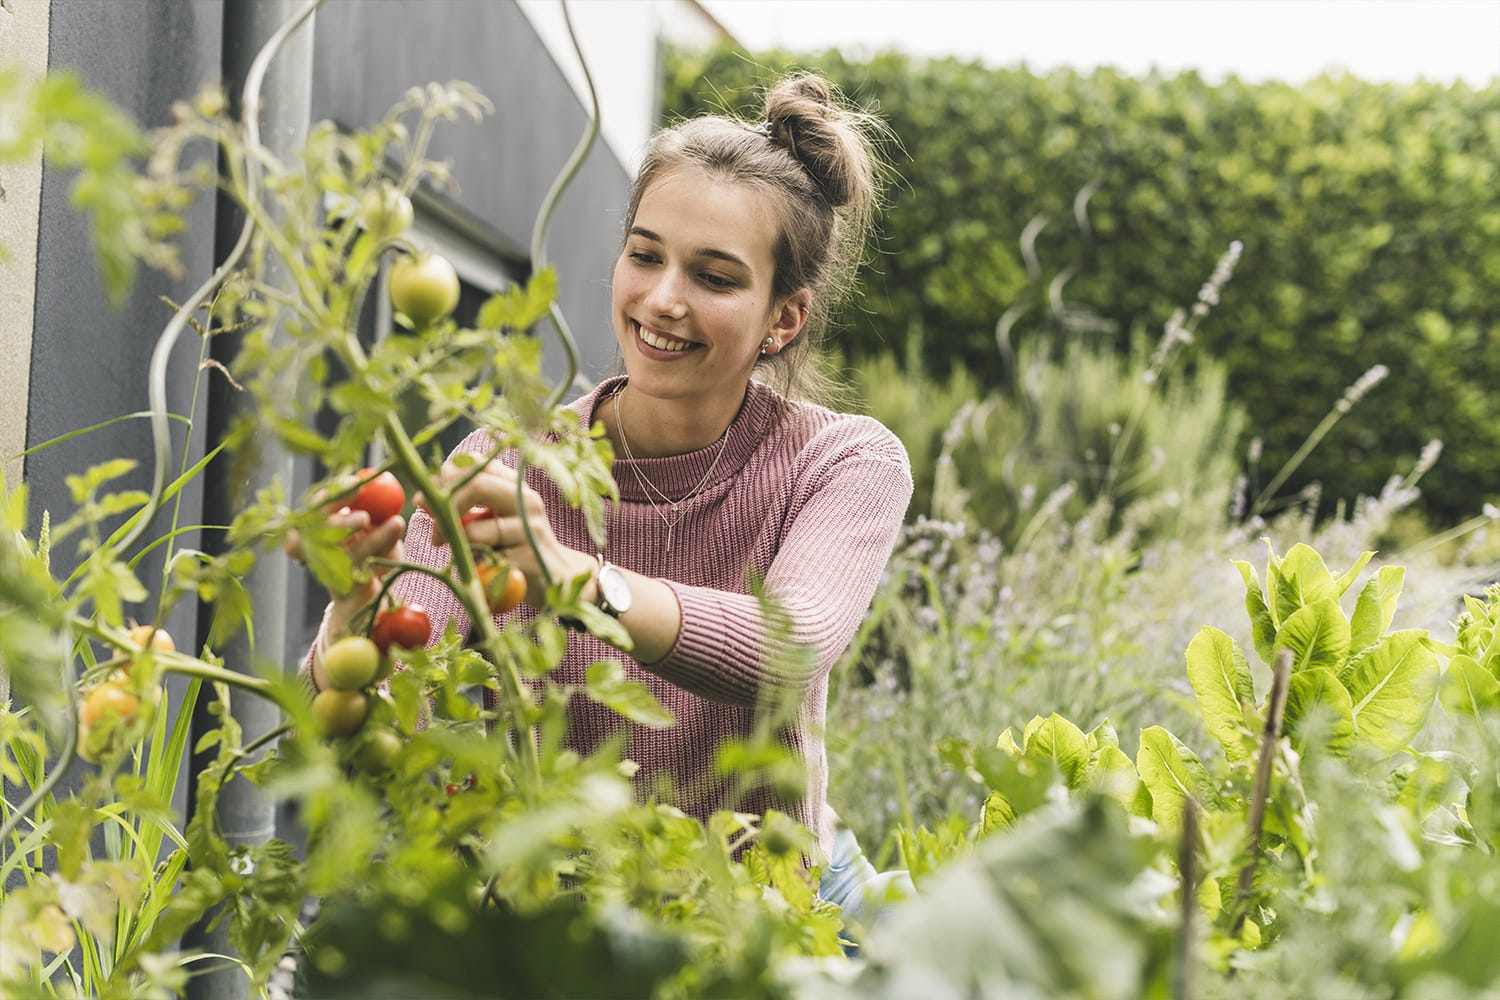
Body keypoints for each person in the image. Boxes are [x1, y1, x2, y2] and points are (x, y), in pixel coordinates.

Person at [300, 72, 914, 932]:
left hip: (771, 906)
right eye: (646, 253)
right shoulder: (505, 461)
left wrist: (577, 581)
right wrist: (351, 619)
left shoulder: (840, 462)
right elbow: (383, 713)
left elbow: (789, 646)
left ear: (784, 318)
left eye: (714, 276)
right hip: (561, 917)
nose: (663, 298)